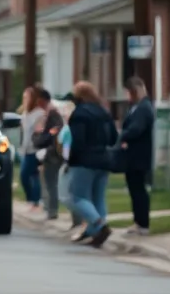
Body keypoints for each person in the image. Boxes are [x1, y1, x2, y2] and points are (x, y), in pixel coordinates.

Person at [66, 81, 118, 248]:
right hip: (103, 159)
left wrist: (71, 160)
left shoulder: (79, 114)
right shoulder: (104, 112)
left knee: (78, 196)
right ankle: (95, 232)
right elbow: (113, 138)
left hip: (85, 161)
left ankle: (99, 225)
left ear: (78, 97)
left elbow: (78, 141)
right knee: (98, 198)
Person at [118, 76, 155, 236]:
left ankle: (142, 222)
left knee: (138, 189)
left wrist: (122, 136)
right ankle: (137, 221)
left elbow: (136, 129)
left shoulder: (143, 108)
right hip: (132, 155)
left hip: (139, 156)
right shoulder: (136, 107)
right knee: (134, 188)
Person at [29, 88, 65, 221]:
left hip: (52, 154)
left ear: (43, 99)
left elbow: (54, 132)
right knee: (48, 181)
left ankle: (52, 210)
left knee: (51, 182)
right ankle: (49, 209)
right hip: (48, 153)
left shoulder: (52, 114)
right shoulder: (47, 114)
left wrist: (44, 137)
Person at [18, 87, 44, 213]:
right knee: (31, 175)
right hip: (25, 148)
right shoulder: (25, 114)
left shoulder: (39, 113)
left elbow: (39, 131)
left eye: (26, 97)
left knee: (26, 174)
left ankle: (35, 200)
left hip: (34, 149)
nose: (25, 100)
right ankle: (34, 200)